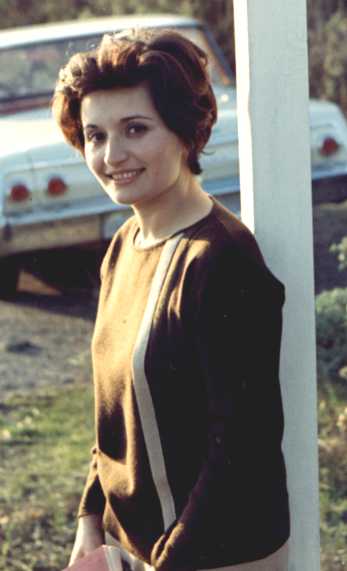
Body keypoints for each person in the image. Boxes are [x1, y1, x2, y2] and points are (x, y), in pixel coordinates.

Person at [53, 28, 290, 571]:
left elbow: (242, 449)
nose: (112, 155)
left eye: (135, 129)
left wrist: (168, 563)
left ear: (187, 131)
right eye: (94, 135)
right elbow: (110, 419)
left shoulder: (221, 261)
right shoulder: (122, 247)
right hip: (132, 551)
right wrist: (90, 522)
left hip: (218, 557)